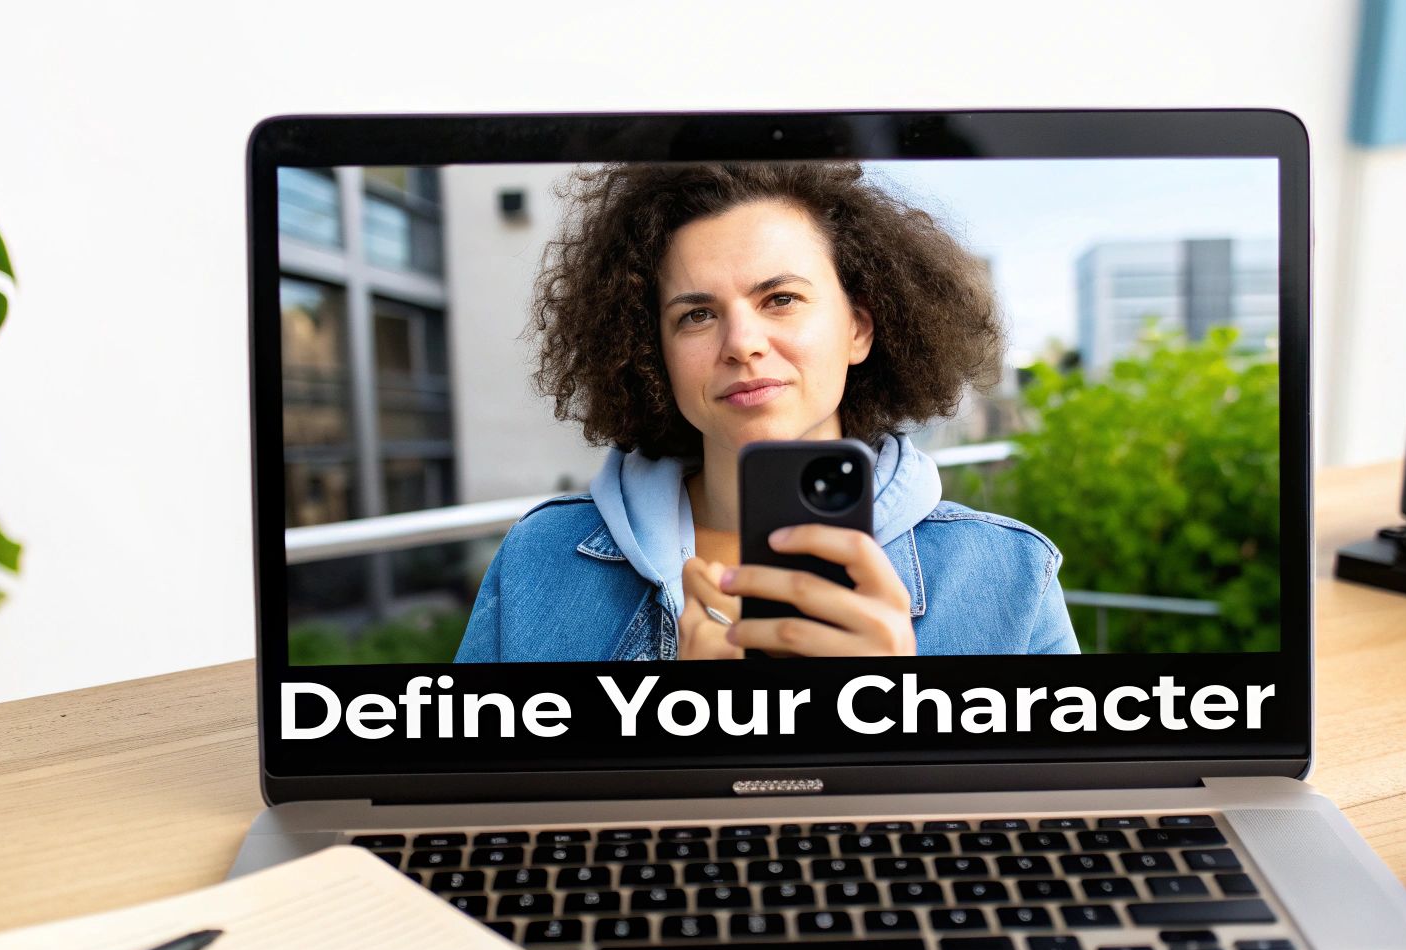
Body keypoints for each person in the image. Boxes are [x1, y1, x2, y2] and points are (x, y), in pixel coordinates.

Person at [454, 162, 1079, 661]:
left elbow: (1036, 813)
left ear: (859, 328)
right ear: (654, 354)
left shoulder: (1008, 576)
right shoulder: (542, 558)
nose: (741, 342)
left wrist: (892, 717)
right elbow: (474, 803)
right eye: (697, 315)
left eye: (780, 298)